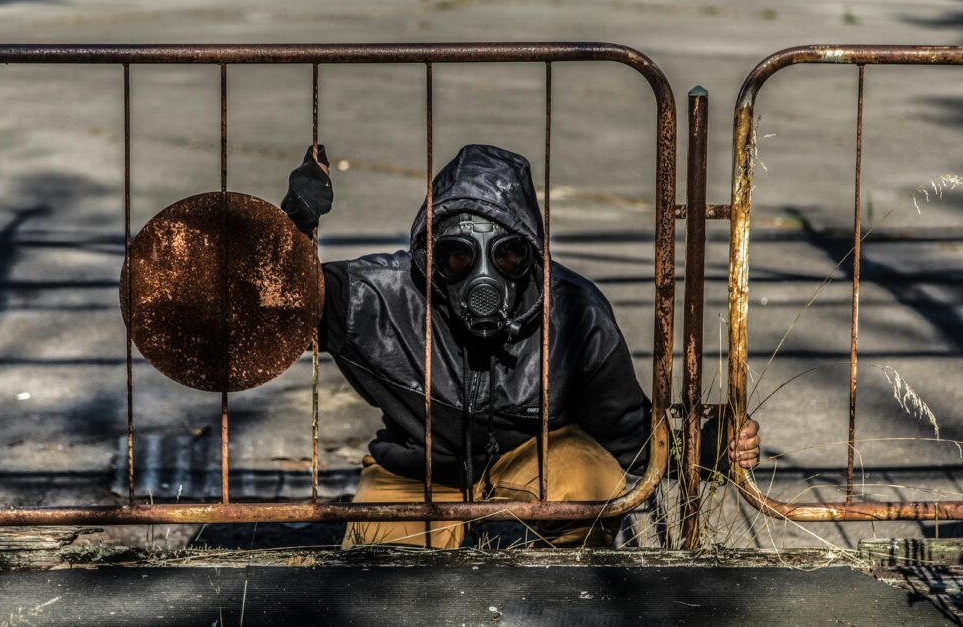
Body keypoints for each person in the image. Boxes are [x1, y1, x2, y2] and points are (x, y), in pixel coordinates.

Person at [282, 143, 760, 548]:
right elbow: (274, 313)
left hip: (537, 452)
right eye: (458, 257)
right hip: (417, 466)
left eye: (507, 255)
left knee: (592, 488)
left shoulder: (574, 311)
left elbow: (626, 431)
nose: (482, 280)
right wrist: (290, 238)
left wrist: (715, 448)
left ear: (531, 256)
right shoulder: (373, 297)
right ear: (429, 258)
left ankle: (570, 596)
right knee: (383, 564)